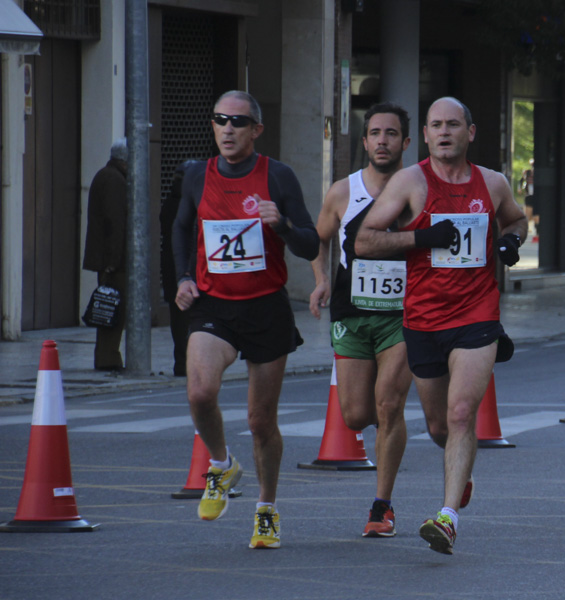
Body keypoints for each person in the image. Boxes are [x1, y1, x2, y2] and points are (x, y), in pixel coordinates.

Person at [354, 97, 528, 555]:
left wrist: (509, 243)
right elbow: (364, 241)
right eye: (436, 125)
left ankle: (447, 517)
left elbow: (517, 219)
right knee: (438, 426)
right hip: (424, 319)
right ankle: (460, 470)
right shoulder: (410, 182)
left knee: (460, 413)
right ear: (426, 136)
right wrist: (422, 237)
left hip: (477, 314)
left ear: (471, 133)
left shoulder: (491, 183)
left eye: (454, 124)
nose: (445, 132)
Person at [172, 90, 320, 549]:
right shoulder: (197, 175)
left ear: (256, 129)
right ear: (213, 126)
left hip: (265, 308)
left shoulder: (278, 176)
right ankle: (220, 464)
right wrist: (182, 278)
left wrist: (282, 227)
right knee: (200, 392)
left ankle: (266, 508)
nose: (228, 129)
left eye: (238, 121)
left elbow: (312, 244)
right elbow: (179, 227)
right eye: (220, 120)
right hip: (213, 305)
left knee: (260, 422)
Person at [308, 103, 414, 538]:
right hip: (352, 312)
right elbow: (319, 240)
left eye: (392, 133)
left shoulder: (420, 188)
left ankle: (381, 506)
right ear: (365, 141)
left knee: (389, 405)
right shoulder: (342, 192)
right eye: (375, 133)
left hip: (404, 315)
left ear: (406, 142)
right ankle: (389, 431)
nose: (383, 141)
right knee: (355, 415)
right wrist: (320, 281)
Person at [83, 138, 129, 371]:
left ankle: (108, 356)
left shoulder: (108, 176)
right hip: (114, 261)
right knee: (113, 309)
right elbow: (115, 222)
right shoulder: (114, 180)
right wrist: (112, 262)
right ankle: (108, 358)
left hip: (110, 258)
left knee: (110, 307)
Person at [160, 159, 203, 377]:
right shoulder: (186, 204)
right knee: (189, 319)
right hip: (184, 270)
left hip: (173, 270)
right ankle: (188, 363)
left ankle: (182, 361)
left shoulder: (170, 203)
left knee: (179, 320)